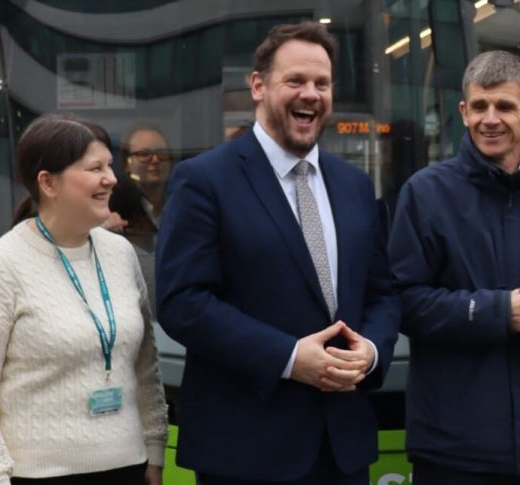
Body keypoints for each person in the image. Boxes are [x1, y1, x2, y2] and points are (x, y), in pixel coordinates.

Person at [156, 21, 400, 485]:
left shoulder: (354, 186)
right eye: (295, 81)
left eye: (322, 83)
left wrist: (369, 353)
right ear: (257, 85)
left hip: (343, 451)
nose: (311, 93)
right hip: (246, 453)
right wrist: (288, 357)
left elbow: (384, 293)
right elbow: (182, 302)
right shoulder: (204, 180)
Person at [388, 50, 520, 484]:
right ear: (463, 112)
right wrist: (501, 313)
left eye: (504, 106)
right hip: (451, 447)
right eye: (479, 106)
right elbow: (404, 301)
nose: (490, 118)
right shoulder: (425, 193)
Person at [0, 114, 168, 485]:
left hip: (128, 467)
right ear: (48, 183)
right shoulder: (2, 265)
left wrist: (154, 448)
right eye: (95, 168)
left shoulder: (120, 254)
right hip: (38, 476)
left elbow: (145, 367)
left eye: (110, 166)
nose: (112, 178)